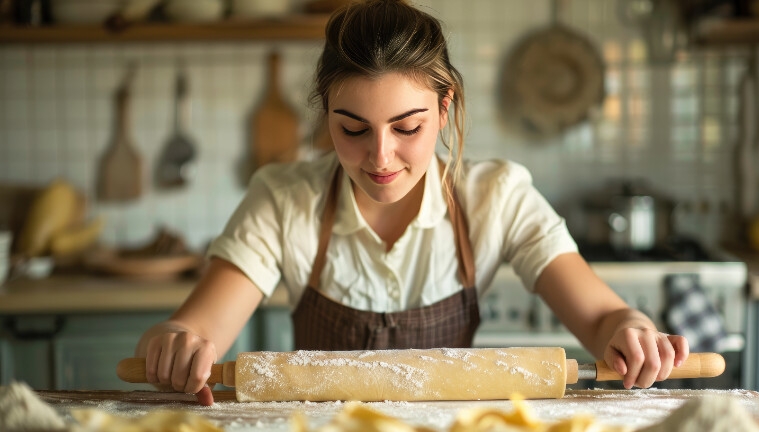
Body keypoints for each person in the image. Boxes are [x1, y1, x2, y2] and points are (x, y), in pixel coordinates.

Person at [135, 0, 689, 406]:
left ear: (444, 109)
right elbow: (196, 328)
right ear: (325, 113)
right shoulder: (283, 198)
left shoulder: (497, 197)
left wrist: (631, 330)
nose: (381, 157)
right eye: (352, 128)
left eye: (408, 127)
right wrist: (175, 344)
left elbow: (603, 318)